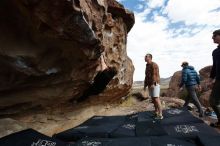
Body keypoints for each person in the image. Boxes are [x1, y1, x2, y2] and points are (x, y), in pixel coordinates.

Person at [144, 53, 163, 119]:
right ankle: (156, 112)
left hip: (155, 84)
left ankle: (160, 115)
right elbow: (146, 76)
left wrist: (153, 83)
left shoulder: (154, 65)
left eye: (146, 57)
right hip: (150, 84)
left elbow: (154, 75)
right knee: (153, 99)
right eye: (145, 57)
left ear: (150, 58)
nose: (145, 58)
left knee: (156, 98)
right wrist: (145, 85)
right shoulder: (147, 65)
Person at [209, 29, 220, 128]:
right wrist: (211, 79)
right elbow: (215, 67)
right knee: (212, 101)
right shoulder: (215, 52)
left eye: (214, 35)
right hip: (218, 80)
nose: (212, 37)